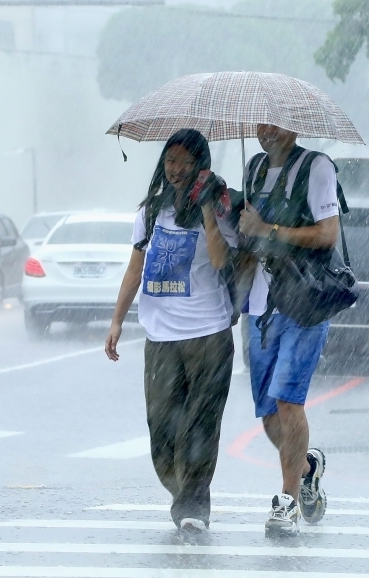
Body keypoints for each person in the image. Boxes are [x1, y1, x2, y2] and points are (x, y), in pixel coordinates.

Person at [105, 128, 237, 533]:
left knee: (199, 424)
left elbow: (220, 261)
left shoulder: (219, 207)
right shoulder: (150, 212)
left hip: (209, 333)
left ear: (202, 166)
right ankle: (184, 491)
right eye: (170, 161)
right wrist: (117, 319)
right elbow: (135, 268)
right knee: (162, 431)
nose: (176, 169)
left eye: (185, 162)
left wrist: (206, 211)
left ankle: (194, 504)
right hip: (161, 337)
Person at [238, 123, 340, 536]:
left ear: (295, 125)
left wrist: (269, 231)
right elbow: (246, 244)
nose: (268, 132)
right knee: (267, 416)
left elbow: (328, 234)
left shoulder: (317, 167)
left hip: (303, 304)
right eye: (262, 123)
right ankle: (306, 467)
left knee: (286, 400)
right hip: (259, 309)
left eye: (277, 123)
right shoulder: (254, 170)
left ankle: (287, 502)